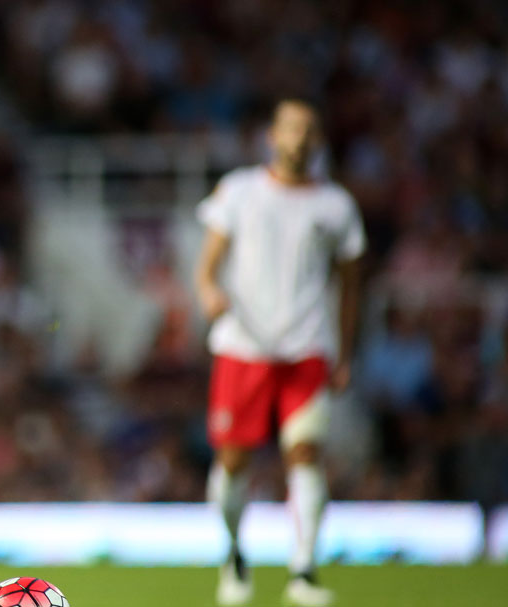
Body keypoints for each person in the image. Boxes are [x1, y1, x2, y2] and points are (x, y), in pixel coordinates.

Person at [194, 98, 364, 607]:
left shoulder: (336, 206)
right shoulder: (240, 191)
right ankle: (233, 554)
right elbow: (208, 265)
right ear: (272, 135)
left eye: (309, 130)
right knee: (232, 459)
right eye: (292, 128)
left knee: (306, 453)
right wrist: (208, 293)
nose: (300, 138)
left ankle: (304, 569)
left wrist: (346, 351)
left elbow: (352, 286)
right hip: (244, 347)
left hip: (308, 347)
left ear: (319, 141)